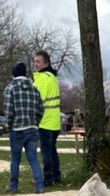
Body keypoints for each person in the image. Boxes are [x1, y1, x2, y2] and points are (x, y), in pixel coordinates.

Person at [2, 62, 45, 194]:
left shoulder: (10, 89)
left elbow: (9, 111)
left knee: (15, 158)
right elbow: (41, 110)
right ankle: (39, 186)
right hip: (32, 128)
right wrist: (35, 122)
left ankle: (13, 186)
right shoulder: (34, 89)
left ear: (13, 74)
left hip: (17, 129)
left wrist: (8, 126)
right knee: (33, 158)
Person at [33, 50, 62, 186]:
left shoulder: (43, 78)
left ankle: (48, 178)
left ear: (46, 63)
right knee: (52, 151)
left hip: (45, 121)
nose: (35, 64)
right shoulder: (52, 77)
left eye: (38, 61)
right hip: (54, 121)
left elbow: (37, 99)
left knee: (46, 153)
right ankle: (56, 176)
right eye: (35, 61)